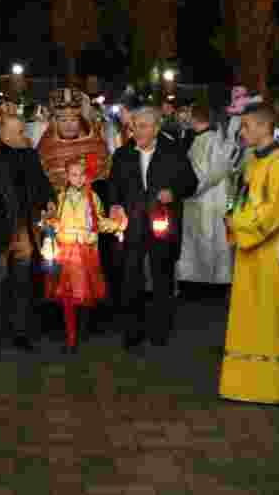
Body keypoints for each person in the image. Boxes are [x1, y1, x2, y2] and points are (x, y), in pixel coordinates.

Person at [220, 103, 279, 404]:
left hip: (269, 251)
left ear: (265, 127)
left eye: (246, 126)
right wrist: (232, 214)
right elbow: (242, 196)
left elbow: (278, 210)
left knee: (268, 315)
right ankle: (244, 384)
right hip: (250, 250)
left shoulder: (278, 163)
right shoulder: (254, 159)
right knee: (248, 314)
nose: (242, 132)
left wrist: (239, 222)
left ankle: (269, 387)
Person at [108, 106, 198, 351]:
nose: (138, 131)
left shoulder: (174, 151)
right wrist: (114, 205)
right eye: (135, 126)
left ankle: (160, 331)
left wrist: (174, 192)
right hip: (133, 224)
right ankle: (132, 332)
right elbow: (113, 185)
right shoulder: (122, 154)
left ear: (156, 128)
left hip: (163, 224)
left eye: (144, 126)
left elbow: (191, 182)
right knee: (131, 278)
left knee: (163, 277)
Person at [0, 115, 55, 359]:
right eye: (19, 132)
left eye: (23, 130)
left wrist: (49, 200)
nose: (24, 136)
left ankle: (21, 333)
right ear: (4, 134)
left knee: (22, 285)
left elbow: (42, 184)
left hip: (24, 231)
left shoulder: (29, 156)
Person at [43, 157, 123, 355]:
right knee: (68, 296)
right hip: (65, 252)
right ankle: (71, 337)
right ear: (67, 176)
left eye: (81, 174)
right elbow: (53, 221)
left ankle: (82, 329)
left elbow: (99, 222)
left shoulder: (92, 198)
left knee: (85, 294)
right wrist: (48, 223)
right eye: (74, 174)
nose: (78, 178)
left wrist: (116, 225)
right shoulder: (60, 198)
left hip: (86, 253)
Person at [176, 103, 232, 287]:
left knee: (205, 239)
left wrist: (185, 189)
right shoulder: (213, 139)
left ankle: (205, 282)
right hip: (211, 199)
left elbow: (203, 174)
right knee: (210, 239)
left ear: (194, 118)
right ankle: (210, 279)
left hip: (204, 200)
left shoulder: (207, 140)